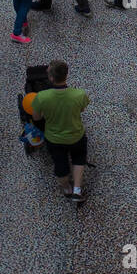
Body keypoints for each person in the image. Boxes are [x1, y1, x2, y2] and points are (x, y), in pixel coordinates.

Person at [32, 59, 91, 202]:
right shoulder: (79, 94)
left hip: (54, 138)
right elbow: (82, 109)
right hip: (76, 135)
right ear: (66, 75)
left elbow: (36, 117)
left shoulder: (41, 97)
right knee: (78, 158)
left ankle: (66, 189)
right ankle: (77, 189)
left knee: (60, 163)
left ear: (51, 78)